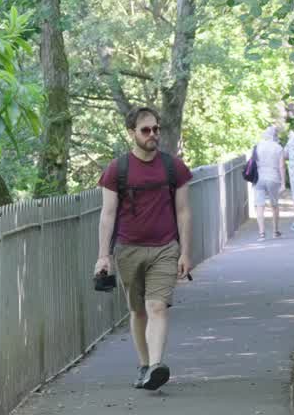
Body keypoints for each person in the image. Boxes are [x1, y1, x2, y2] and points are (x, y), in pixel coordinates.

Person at [95, 106, 193, 391]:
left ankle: (155, 366)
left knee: (157, 306)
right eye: (146, 130)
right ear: (132, 133)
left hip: (165, 248)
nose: (153, 134)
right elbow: (107, 214)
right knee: (138, 311)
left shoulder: (174, 168)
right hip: (128, 249)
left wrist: (185, 252)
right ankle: (144, 364)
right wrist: (103, 256)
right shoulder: (117, 170)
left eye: (156, 129)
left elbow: (184, 212)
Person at [249, 125, 286, 239]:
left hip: (259, 178)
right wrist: (283, 183)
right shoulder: (278, 148)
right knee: (274, 205)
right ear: (275, 136)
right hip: (273, 178)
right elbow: (281, 166)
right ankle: (275, 231)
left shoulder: (257, 146)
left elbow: (253, 163)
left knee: (259, 205)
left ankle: (262, 233)